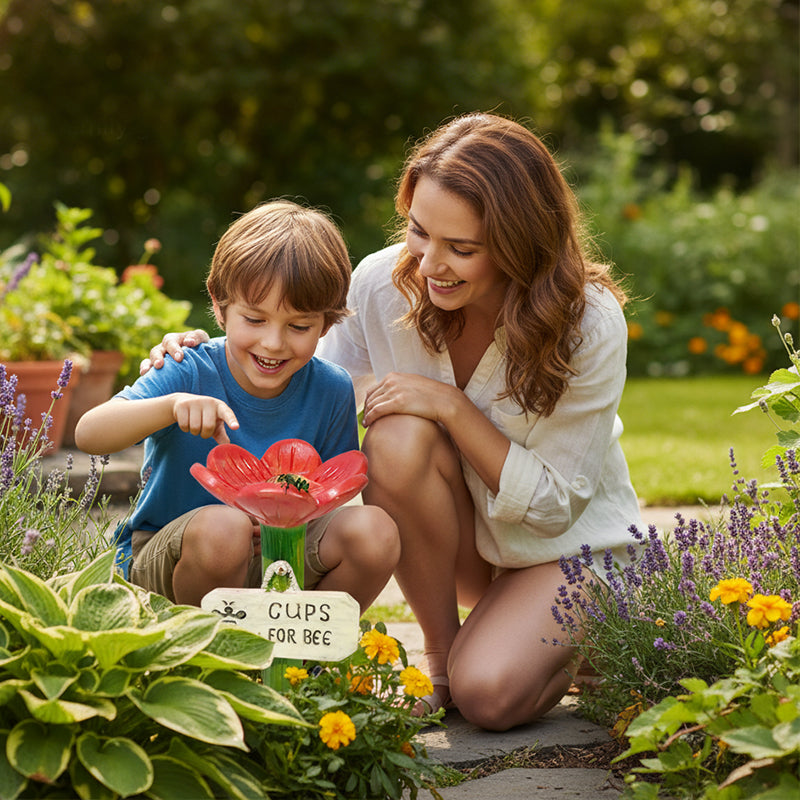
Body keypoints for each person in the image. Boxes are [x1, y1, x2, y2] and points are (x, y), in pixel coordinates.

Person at [143, 112, 643, 731]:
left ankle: (583, 633)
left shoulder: (587, 323)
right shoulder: (382, 284)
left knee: (488, 696)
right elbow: (298, 388)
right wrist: (198, 358)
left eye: (461, 249)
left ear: (521, 245)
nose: (431, 264)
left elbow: (554, 508)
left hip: (562, 554)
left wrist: (451, 407)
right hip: (459, 549)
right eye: (419, 232)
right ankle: (441, 657)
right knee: (396, 433)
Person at [76, 200, 399, 612]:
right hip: (176, 564)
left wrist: (292, 520)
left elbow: (332, 493)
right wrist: (172, 405)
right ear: (219, 306)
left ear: (328, 323)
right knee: (225, 528)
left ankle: (297, 655)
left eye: (299, 326)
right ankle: (205, 660)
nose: (273, 343)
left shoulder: (331, 388)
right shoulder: (187, 370)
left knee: (376, 531)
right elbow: (89, 433)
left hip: (279, 556)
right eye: (255, 319)